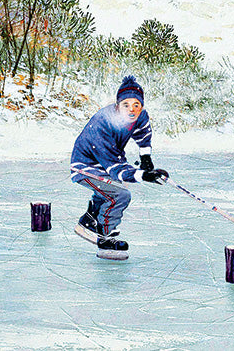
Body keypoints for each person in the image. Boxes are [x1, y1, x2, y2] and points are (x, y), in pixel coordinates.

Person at [70, 75, 169, 255]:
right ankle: (106, 236)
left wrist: (146, 158)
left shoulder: (140, 116)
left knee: (111, 190)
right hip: (86, 166)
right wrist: (143, 176)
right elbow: (114, 167)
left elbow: (143, 133)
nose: (131, 110)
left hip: (105, 162)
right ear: (117, 106)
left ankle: (89, 220)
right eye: (126, 105)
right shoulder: (102, 124)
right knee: (120, 194)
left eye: (136, 105)